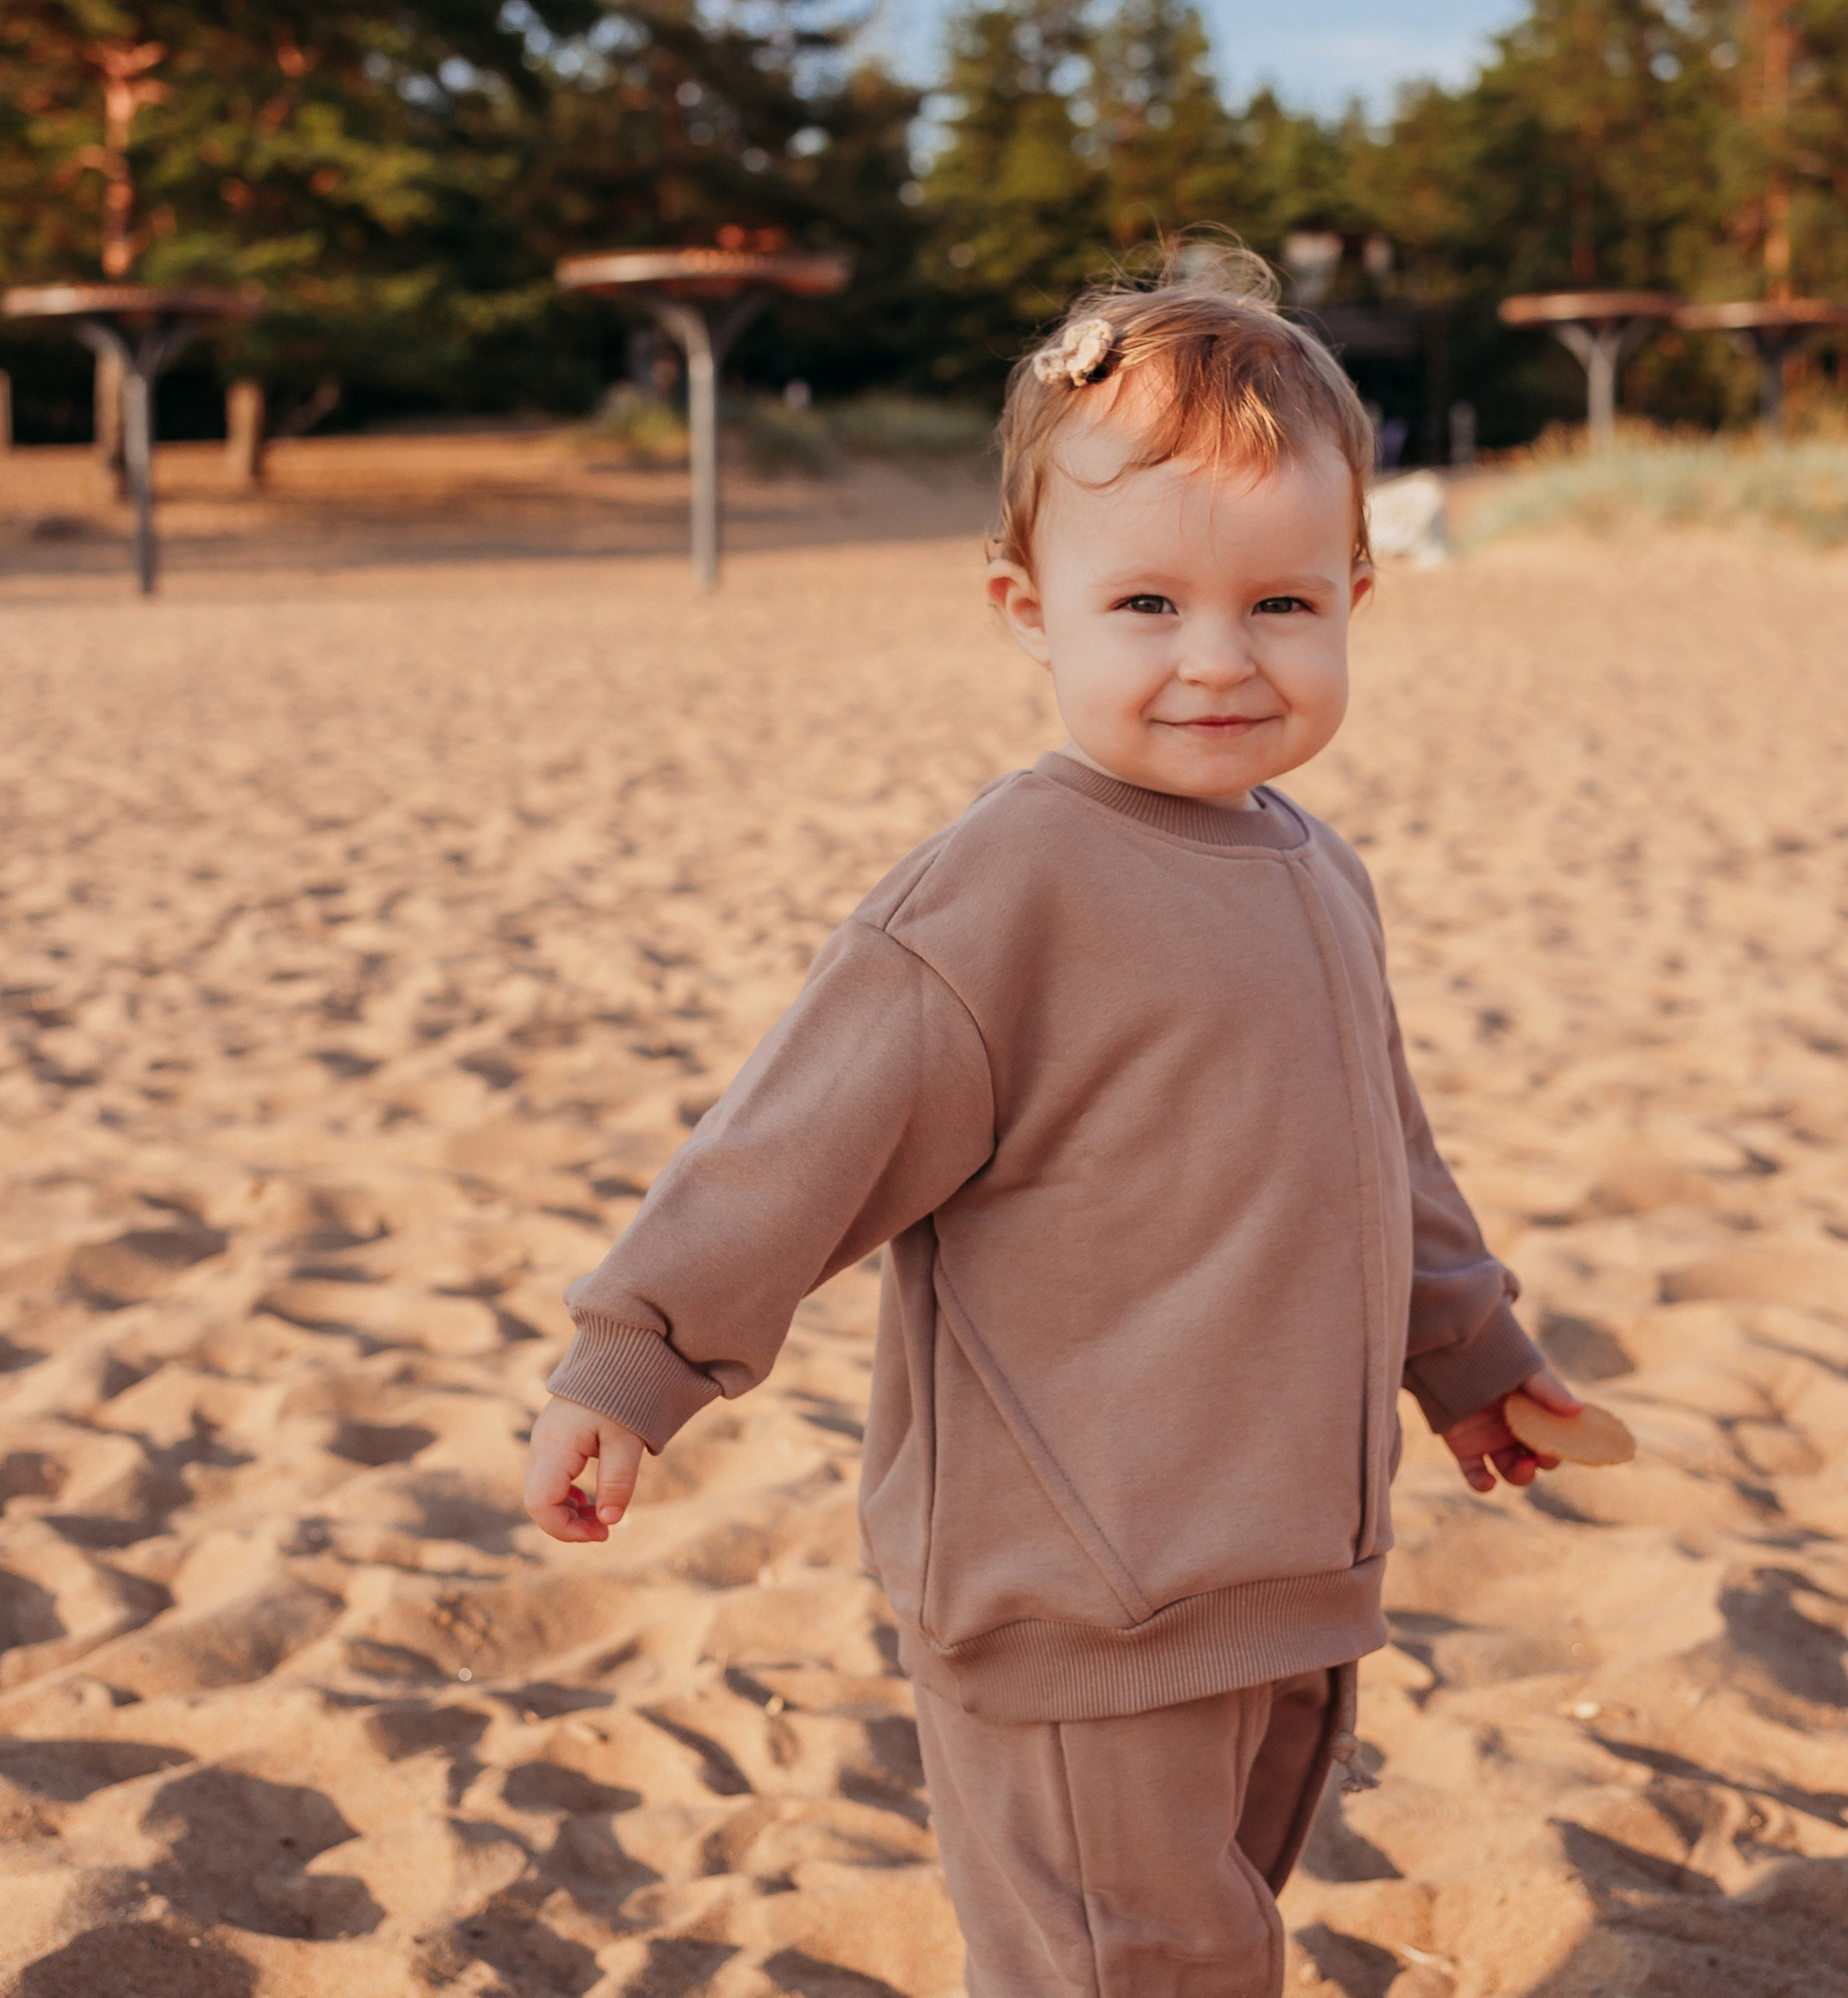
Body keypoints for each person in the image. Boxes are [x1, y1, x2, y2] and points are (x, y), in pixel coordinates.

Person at [523, 246, 1581, 1998]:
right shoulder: (1006, 887)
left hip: (1281, 1566)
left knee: (1208, 1933)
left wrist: (1466, 1351)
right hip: (1076, 1587)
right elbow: (797, 1143)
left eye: (1280, 606)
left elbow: (1375, 1155)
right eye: (1146, 606)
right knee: (1128, 1969)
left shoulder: (1318, 872)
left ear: (1354, 594)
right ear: (1027, 605)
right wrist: (631, 1361)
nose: (1217, 662)